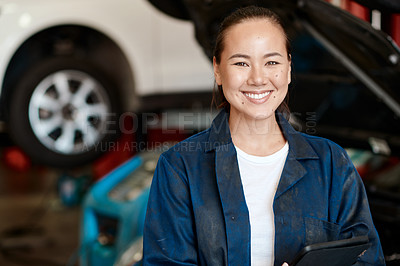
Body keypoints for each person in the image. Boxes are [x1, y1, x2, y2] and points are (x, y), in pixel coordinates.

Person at [142, 5, 385, 266]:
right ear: (218, 69)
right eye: (241, 63)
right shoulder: (180, 168)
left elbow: (367, 260)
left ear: (289, 68)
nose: (258, 78)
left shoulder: (332, 163)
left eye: (271, 62)